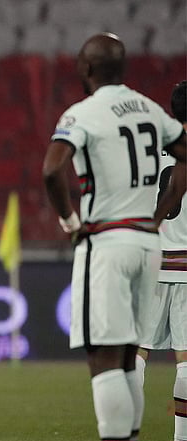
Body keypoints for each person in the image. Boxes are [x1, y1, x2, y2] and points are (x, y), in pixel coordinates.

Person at [42, 33, 186, 441]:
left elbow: (51, 170)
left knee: (111, 360)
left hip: (107, 241)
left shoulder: (83, 113)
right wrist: (157, 215)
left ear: (86, 68)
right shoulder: (150, 110)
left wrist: (70, 222)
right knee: (129, 358)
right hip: (148, 246)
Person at [133, 80, 187, 441]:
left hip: (151, 262)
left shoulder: (149, 148)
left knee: (137, 354)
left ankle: (124, 432)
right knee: (186, 360)